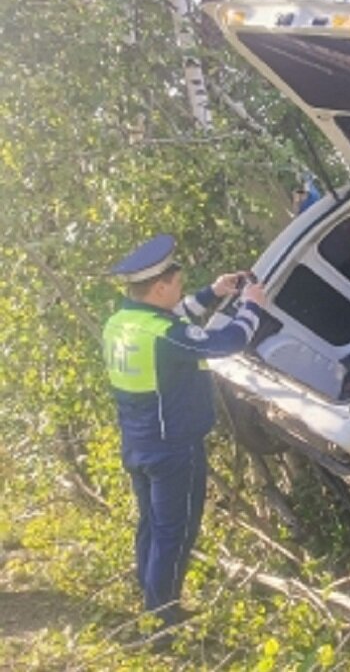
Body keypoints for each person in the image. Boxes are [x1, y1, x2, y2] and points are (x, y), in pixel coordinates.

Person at [102, 233, 266, 632]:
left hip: (139, 443)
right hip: (174, 447)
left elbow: (174, 319)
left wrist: (213, 292)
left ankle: (152, 598)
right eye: (175, 285)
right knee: (175, 533)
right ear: (158, 287)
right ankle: (161, 622)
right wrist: (251, 306)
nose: (180, 291)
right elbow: (225, 341)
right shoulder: (164, 334)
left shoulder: (122, 322)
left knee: (151, 525)